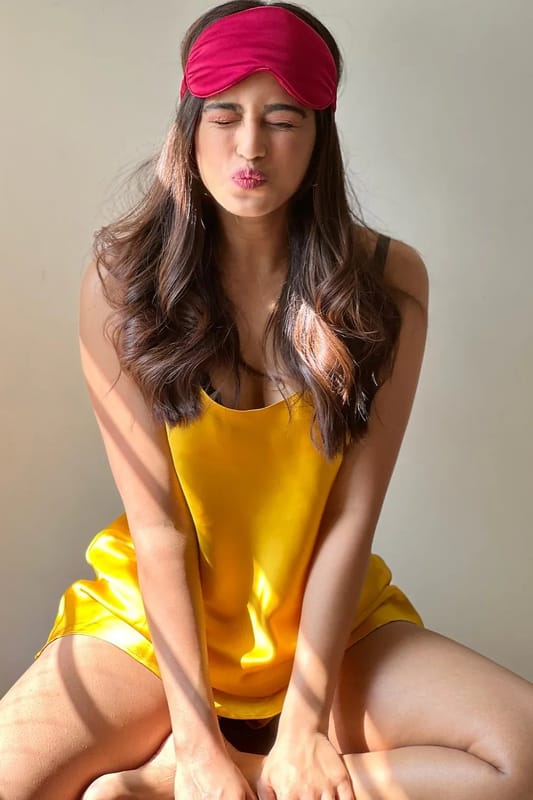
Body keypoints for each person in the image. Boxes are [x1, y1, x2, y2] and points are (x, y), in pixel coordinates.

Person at [1, 1, 532, 798]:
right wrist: (196, 745)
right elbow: (159, 532)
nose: (250, 146)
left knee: (520, 753)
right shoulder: (121, 284)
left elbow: (351, 517)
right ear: (189, 126)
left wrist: (304, 731)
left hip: (325, 628)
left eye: (283, 119)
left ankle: (212, 779)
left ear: (319, 137)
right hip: (152, 625)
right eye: (225, 116)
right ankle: (193, 765)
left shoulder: (386, 282)